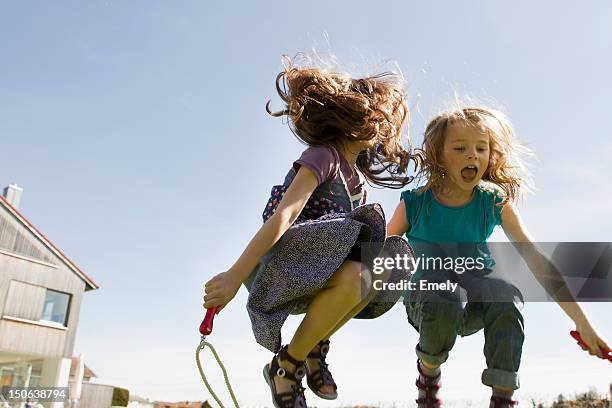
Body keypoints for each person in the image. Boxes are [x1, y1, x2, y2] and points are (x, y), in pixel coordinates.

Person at [204, 55, 418, 407]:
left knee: (384, 264)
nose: (385, 131)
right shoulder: (324, 156)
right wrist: (234, 275)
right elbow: (284, 216)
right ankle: (287, 367)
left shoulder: (358, 182)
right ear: (357, 117)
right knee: (361, 236)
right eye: (380, 119)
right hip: (290, 267)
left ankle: (312, 345)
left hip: (326, 272)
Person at [386, 106, 610, 408]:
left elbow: (537, 260)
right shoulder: (415, 203)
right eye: (460, 148)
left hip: (478, 298)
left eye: (481, 148)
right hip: (429, 303)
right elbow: (379, 256)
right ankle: (428, 375)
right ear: (439, 155)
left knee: (506, 292)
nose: (473, 156)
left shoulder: (492, 201)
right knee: (444, 295)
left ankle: (502, 397)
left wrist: (584, 324)